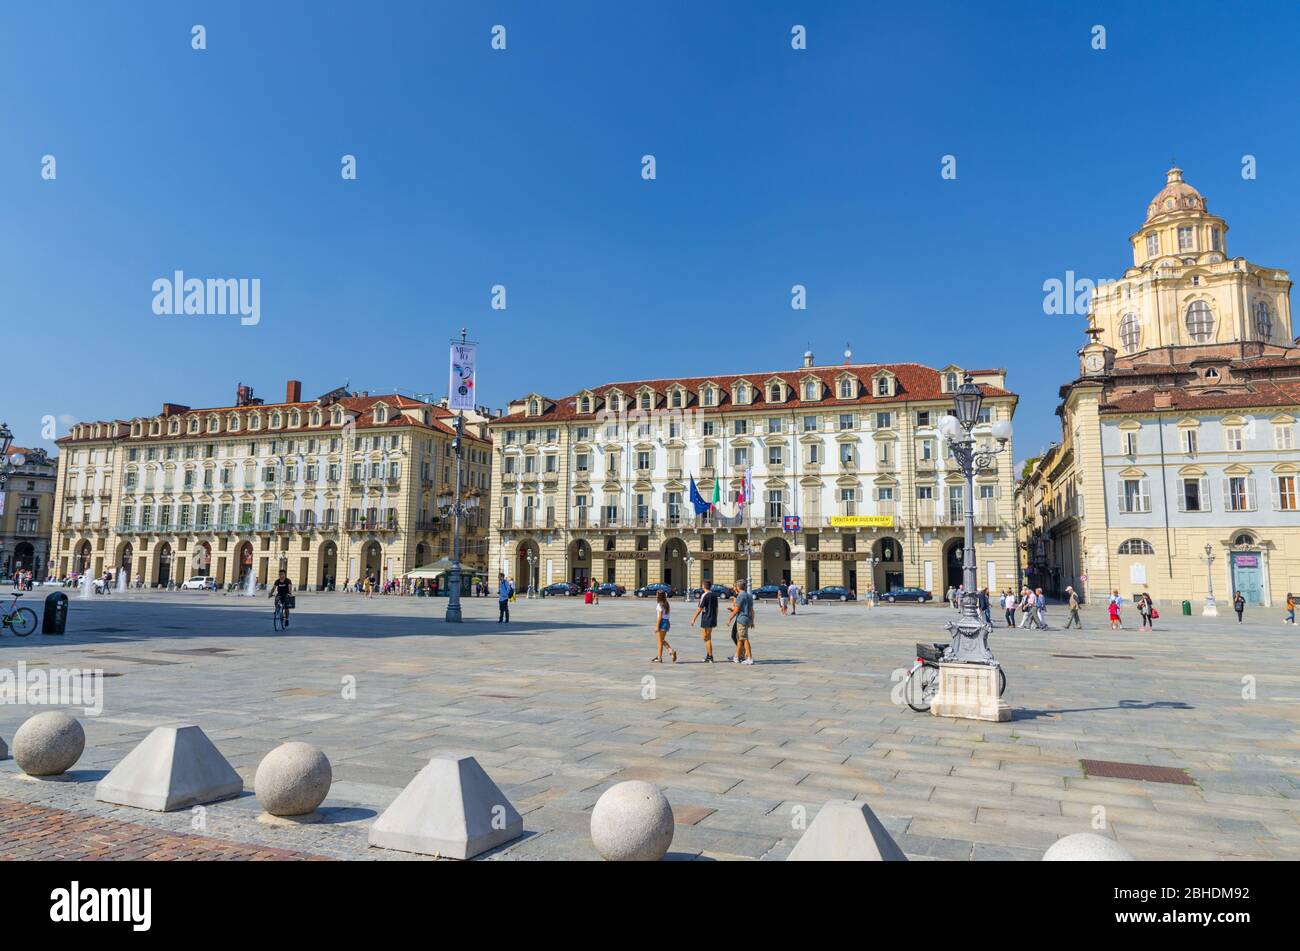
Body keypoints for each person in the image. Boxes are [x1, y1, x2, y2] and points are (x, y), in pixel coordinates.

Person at [728, 578, 755, 665]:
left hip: (741, 619)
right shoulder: (748, 595)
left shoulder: (740, 595)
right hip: (747, 619)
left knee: (744, 638)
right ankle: (736, 656)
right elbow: (751, 610)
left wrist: (730, 619)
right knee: (739, 638)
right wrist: (752, 620)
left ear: (738, 587)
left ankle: (749, 658)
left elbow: (737, 609)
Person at [690, 582, 720, 662]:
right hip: (712, 618)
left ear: (703, 586)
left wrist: (693, 619)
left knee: (706, 638)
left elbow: (700, 608)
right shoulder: (714, 595)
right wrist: (715, 618)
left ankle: (710, 656)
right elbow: (717, 609)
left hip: (706, 618)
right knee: (707, 637)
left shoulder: (704, 595)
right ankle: (708, 655)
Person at [652, 590, 677, 663]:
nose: (656, 595)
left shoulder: (660, 604)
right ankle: (670, 651)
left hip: (662, 622)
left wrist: (657, 626)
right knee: (662, 640)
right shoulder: (666, 603)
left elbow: (660, 616)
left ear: (658, 596)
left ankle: (659, 658)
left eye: (656, 594)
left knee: (660, 641)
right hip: (667, 622)